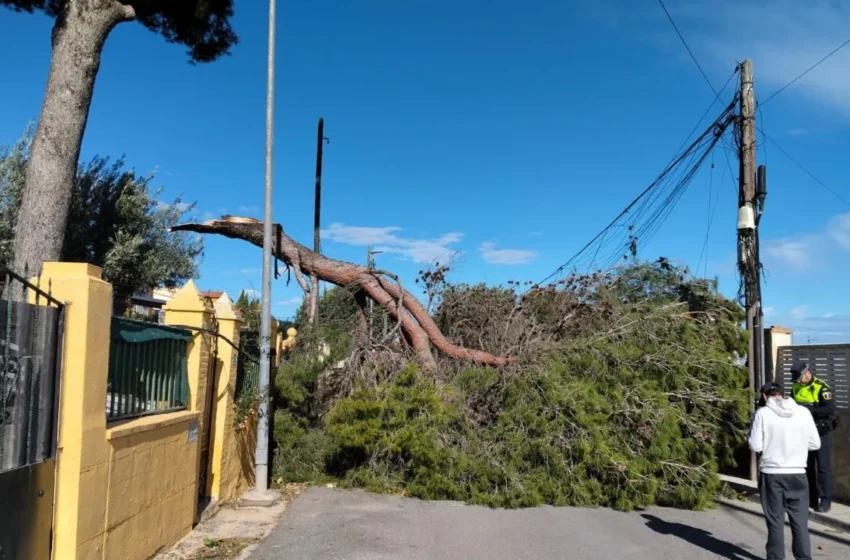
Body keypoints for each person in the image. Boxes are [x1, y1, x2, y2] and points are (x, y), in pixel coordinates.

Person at [749, 381, 821, 560]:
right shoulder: (803, 412)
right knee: (800, 523)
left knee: (775, 522)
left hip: (772, 474)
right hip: (798, 473)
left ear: (764, 396)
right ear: (783, 393)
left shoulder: (763, 414)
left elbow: (756, 445)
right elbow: (815, 443)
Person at [790, 362, 838, 513]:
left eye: (799, 378)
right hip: (803, 432)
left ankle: (825, 501)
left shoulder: (821, 386)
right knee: (807, 467)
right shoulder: (795, 386)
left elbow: (829, 409)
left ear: (807, 373)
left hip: (821, 432)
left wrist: (808, 410)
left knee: (823, 468)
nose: (797, 381)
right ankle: (811, 499)